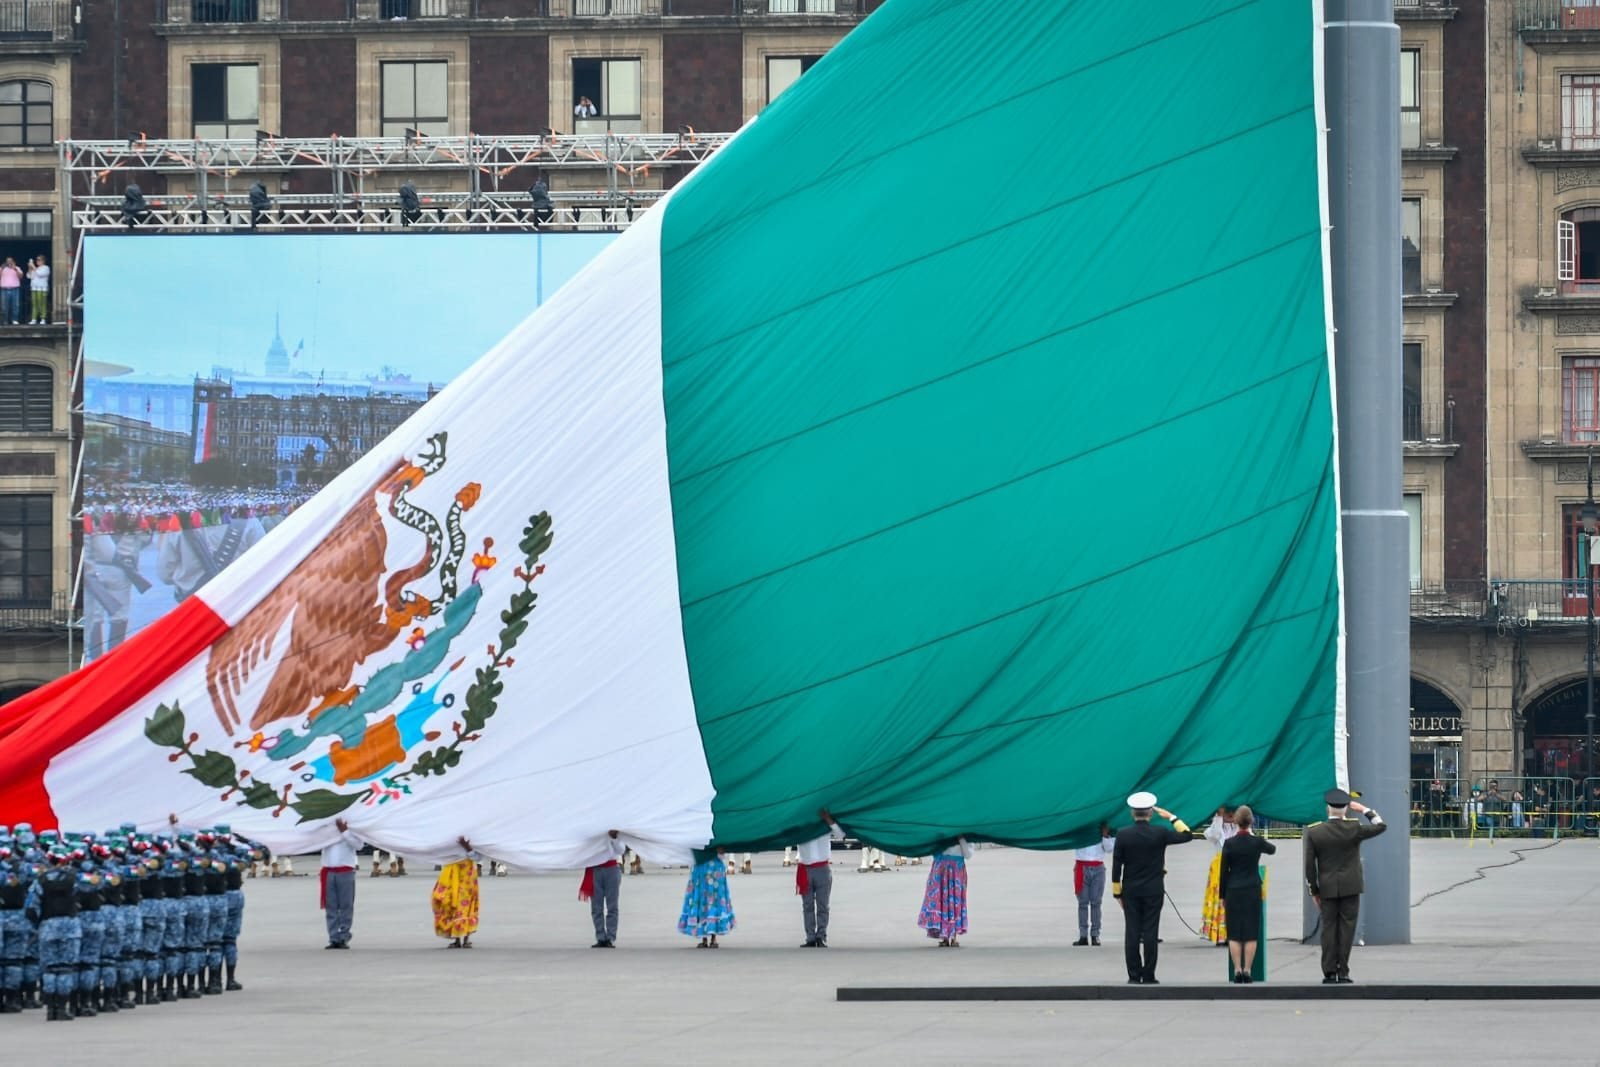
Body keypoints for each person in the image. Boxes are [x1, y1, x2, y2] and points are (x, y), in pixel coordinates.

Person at [1303, 787, 1386, 984]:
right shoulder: (1354, 828)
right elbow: (1381, 826)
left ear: (1328, 808)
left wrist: (1314, 890)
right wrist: (1365, 809)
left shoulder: (1315, 832)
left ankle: (1329, 972)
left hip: (1327, 886)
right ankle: (1344, 971)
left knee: (1328, 929)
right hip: (1351, 886)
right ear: (1346, 809)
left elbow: (1309, 867)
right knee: (1347, 929)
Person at [1111, 791, 1195, 984]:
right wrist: (1172, 817)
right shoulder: (1160, 832)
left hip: (1131, 889)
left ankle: (1133, 975)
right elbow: (1187, 835)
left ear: (1133, 813)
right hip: (1153, 889)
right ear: (1151, 813)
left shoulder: (1123, 834)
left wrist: (1117, 893)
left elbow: (1117, 866)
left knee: (1132, 931)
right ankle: (1148, 974)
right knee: (1151, 931)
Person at [1219, 804, 1275, 983]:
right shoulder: (1256, 842)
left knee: (1234, 932)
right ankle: (1248, 970)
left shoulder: (1229, 843)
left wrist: (1221, 896)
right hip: (1252, 888)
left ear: (1235, 821)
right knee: (1251, 932)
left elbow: (1223, 872)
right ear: (1251, 821)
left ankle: (1237, 970)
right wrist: (1254, 836)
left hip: (1233, 889)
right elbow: (1272, 849)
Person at [795, 808, 844, 948]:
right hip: (805, 868)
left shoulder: (825, 827)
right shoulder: (800, 827)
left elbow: (840, 835)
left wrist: (828, 819)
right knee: (807, 905)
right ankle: (810, 937)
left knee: (823, 905)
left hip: (822, 868)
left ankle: (821, 936)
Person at [918, 837, 973, 947]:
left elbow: (968, 855)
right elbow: (933, 849)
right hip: (941, 869)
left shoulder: (968, 835)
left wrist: (961, 838)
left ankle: (953, 935)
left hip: (956, 870)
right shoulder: (941, 832)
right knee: (940, 901)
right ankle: (944, 935)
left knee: (954, 901)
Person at [677, 847, 735, 948]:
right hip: (707, 868)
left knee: (704, 900)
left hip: (706, 868)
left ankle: (709, 937)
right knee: (711, 900)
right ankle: (709, 937)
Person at [320, 817, 362, 949]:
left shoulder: (352, 825)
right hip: (328, 871)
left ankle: (343, 936)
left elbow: (359, 845)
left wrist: (344, 831)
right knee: (331, 906)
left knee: (346, 905)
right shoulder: (325, 827)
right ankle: (333, 937)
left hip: (346, 871)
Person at [433, 836, 480, 948]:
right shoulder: (450, 836)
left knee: (465, 905)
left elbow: (478, 858)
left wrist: (467, 847)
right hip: (450, 875)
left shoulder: (475, 837)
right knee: (446, 901)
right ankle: (456, 937)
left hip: (466, 877)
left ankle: (465, 938)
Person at [1200, 805, 1237, 945]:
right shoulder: (1213, 830)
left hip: (1236, 867)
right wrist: (1219, 817)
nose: (1230, 814)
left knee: (1234, 902)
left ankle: (1233, 933)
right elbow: (1214, 834)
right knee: (1220, 902)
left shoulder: (1238, 829)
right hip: (1219, 870)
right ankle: (1220, 935)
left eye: (1233, 812)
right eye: (1227, 812)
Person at [579, 830, 623, 948]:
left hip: (612, 868)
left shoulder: (614, 832)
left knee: (612, 906)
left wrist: (614, 838)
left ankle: (611, 937)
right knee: (596, 907)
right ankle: (600, 937)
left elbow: (621, 850)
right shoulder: (593, 832)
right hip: (595, 870)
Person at [1072, 822, 1114, 946]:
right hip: (1081, 867)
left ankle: (1095, 935)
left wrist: (1105, 835)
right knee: (1083, 903)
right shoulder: (1080, 828)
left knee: (1096, 902)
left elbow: (1110, 849)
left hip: (1098, 867)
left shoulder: (1105, 827)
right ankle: (1083, 935)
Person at [26, 255, 48, 325]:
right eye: (37, 260)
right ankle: (34, 318)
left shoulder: (46, 268)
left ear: (43, 261)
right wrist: (29, 268)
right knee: (34, 304)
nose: (37, 261)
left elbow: (40, 274)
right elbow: (29, 276)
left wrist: (33, 267)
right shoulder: (35, 268)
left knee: (42, 304)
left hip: (42, 289)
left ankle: (43, 318)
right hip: (34, 288)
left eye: (39, 260)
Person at [0, 257, 21, 324]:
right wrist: (2, 269)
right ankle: (5, 320)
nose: (9, 262)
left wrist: (15, 268)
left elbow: (20, 276)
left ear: (13, 261)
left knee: (15, 305)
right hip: (4, 289)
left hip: (15, 289)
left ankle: (14, 319)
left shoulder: (17, 268)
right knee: (4, 306)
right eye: (8, 261)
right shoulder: (2, 268)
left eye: (10, 261)